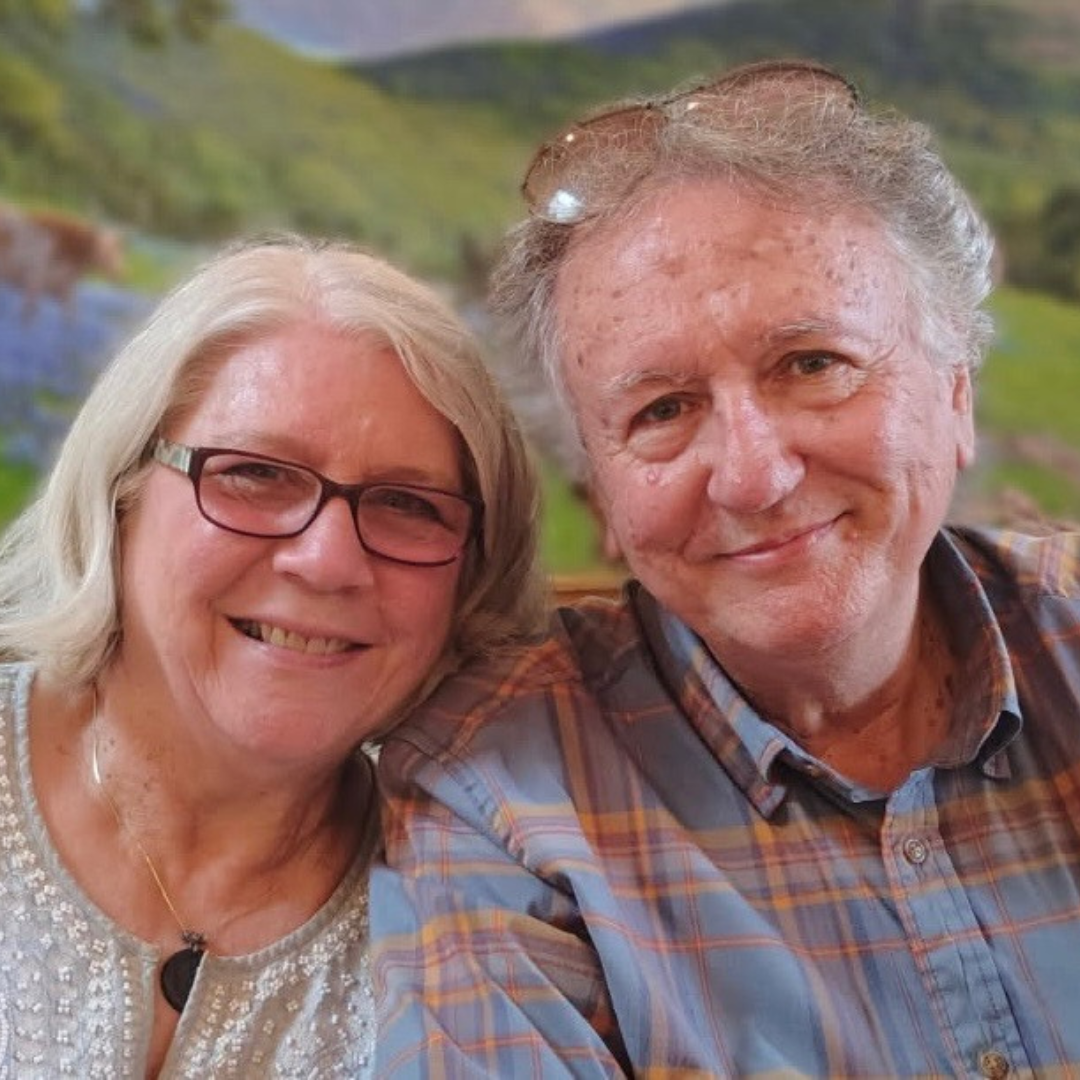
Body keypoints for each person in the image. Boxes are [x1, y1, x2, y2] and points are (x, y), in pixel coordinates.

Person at [372, 59, 1080, 1077]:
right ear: (601, 504)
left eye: (814, 363)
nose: (753, 474)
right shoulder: (505, 797)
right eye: (660, 410)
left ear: (956, 395)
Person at [0, 233, 544, 1076]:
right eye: (254, 474)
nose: (328, 561)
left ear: (472, 578)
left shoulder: (469, 910)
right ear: (122, 494)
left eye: (409, 504)